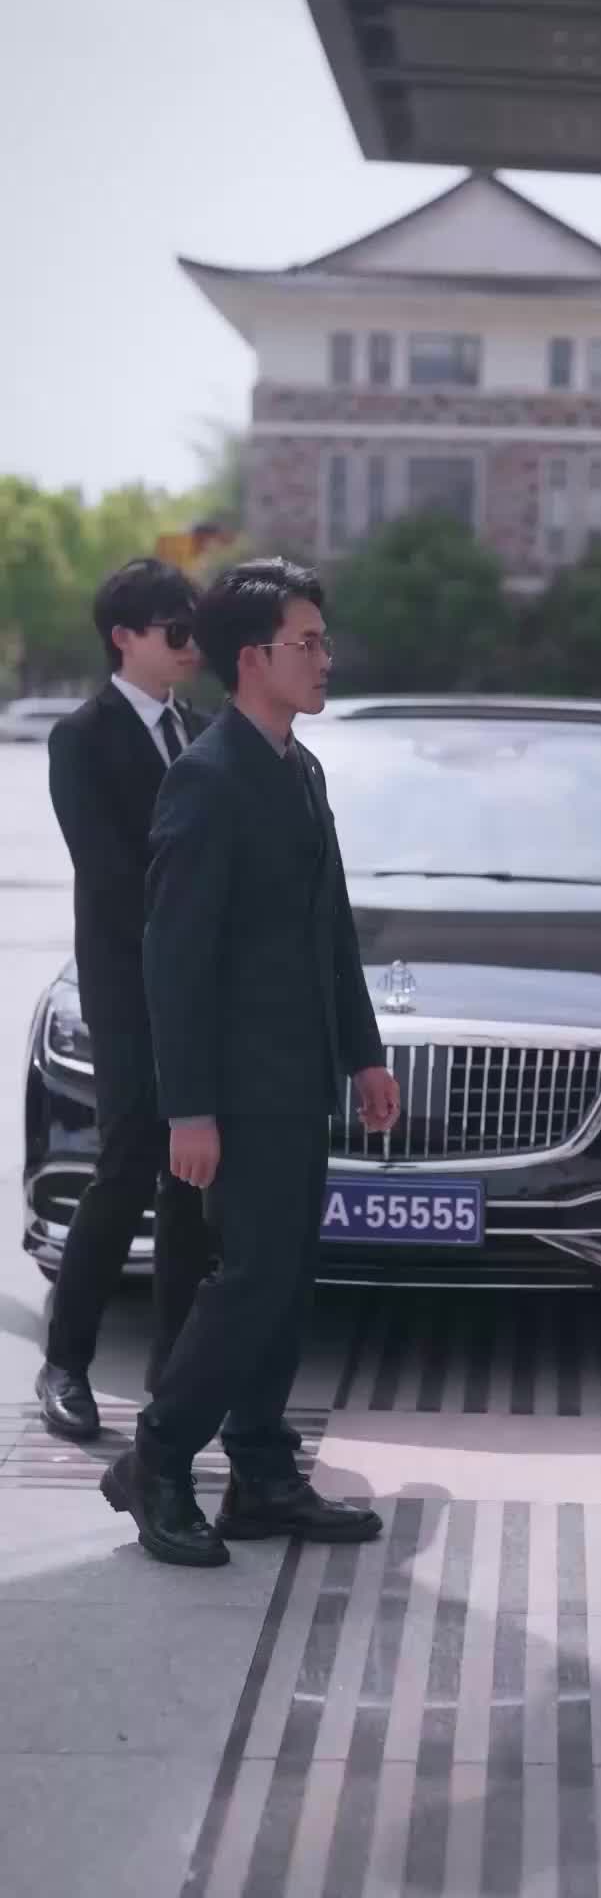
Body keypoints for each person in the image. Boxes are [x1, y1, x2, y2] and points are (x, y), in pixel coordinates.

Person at [100, 558, 401, 1567]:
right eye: (306, 642)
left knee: (287, 1277)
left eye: (324, 639)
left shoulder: (297, 768)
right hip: (233, 1089)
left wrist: (363, 1054)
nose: (325, 658)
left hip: (299, 1078)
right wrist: (187, 1107)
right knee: (252, 1278)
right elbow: (172, 958)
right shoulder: (209, 776)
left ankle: (263, 1471)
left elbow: (330, 929)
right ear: (251, 659)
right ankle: (157, 1457)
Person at [37, 559, 215, 1440]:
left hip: (205, 992)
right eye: (175, 631)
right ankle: (66, 1360)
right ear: (124, 638)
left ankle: (172, 1375)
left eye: (194, 629)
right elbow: (109, 877)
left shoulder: (205, 730)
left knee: (194, 1179)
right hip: (129, 988)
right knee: (129, 1165)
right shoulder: (82, 738)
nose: (191, 645)